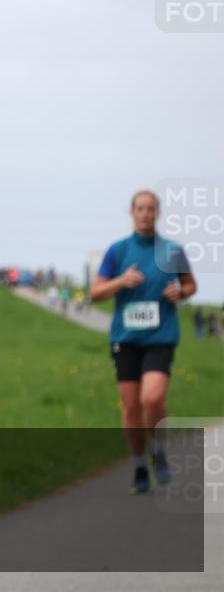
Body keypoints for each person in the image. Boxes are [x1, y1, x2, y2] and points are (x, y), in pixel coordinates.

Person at [90, 190, 197, 495]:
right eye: (140, 208)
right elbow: (96, 293)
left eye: (151, 209)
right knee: (131, 408)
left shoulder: (171, 250)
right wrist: (120, 281)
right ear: (132, 212)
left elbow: (190, 283)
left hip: (160, 337)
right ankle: (139, 464)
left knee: (152, 398)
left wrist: (182, 292)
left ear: (157, 213)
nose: (146, 213)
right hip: (126, 339)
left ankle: (158, 449)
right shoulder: (118, 250)